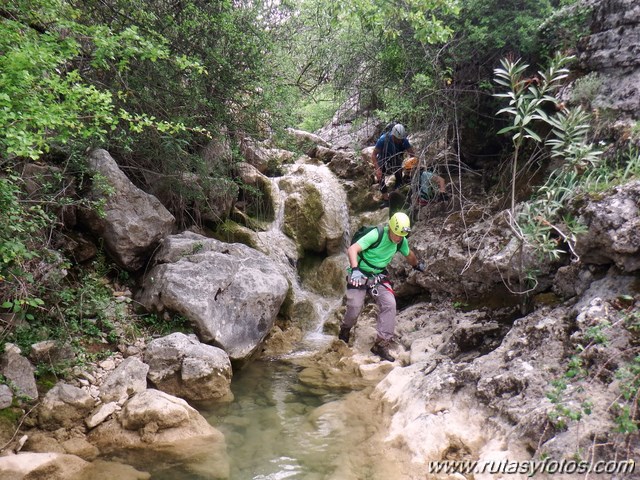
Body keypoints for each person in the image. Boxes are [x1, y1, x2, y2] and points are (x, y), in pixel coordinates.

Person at [339, 212, 425, 362]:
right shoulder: (376, 234)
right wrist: (355, 269)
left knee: (390, 304)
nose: (398, 238)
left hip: (378, 276)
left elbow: (409, 254)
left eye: (401, 235)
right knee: (354, 307)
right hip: (360, 272)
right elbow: (352, 249)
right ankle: (345, 329)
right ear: (390, 228)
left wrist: (417, 265)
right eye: (396, 234)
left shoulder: (400, 241)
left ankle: (381, 343)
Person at [371, 124, 417, 203]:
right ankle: (386, 199)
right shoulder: (383, 140)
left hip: (397, 160)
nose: (399, 141)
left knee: (398, 172)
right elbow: (373, 155)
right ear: (393, 135)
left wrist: (410, 168)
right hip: (383, 159)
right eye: (397, 139)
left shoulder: (404, 141)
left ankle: (397, 191)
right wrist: (377, 169)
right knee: (380, 177)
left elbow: (412, 155)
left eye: (400, 139)